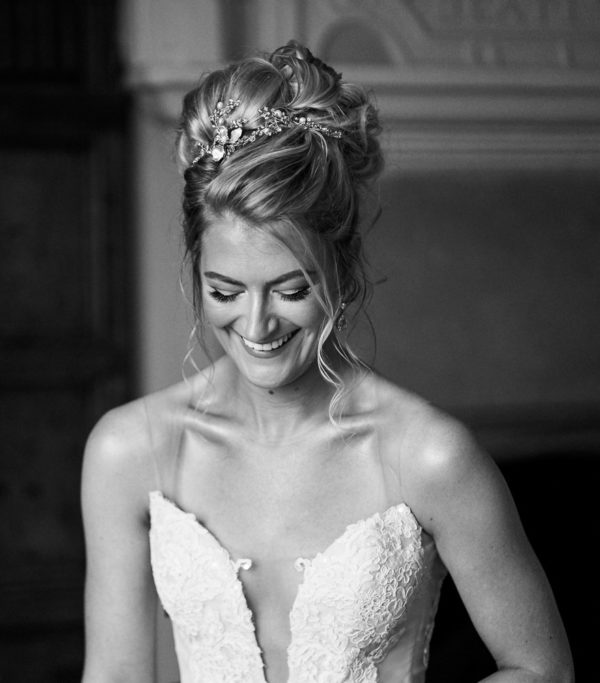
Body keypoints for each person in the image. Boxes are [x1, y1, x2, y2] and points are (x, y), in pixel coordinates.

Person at [80, 40, 573, 683]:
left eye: (291, 291)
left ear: (341, 272)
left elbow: (542, 670)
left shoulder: (429, 455)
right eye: (225, 292)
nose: (256, 326)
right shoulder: (128, 450)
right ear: (195, 269)